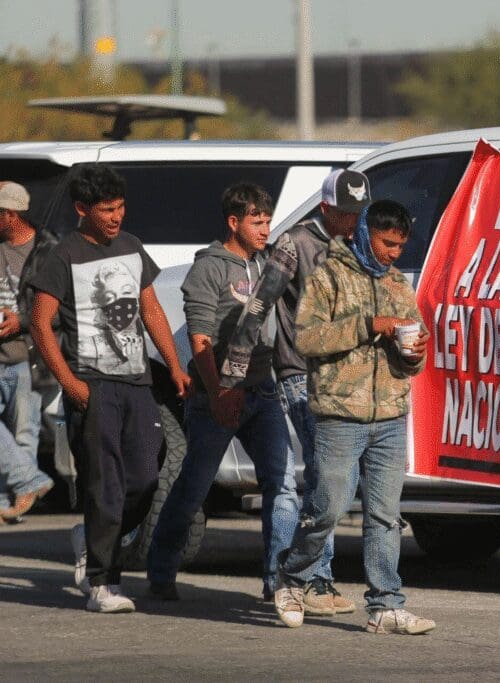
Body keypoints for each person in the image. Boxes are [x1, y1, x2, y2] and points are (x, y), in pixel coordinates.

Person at [28, 163, 191, 613]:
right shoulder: (63, 256)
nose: (116, 217)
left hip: (138, 381)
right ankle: (102, 583)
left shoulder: (131, 247)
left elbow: (152, 310)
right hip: (92, 384)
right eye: (106, 210)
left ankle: (93, 537)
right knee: (106, 487)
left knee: (145, 477)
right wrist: (71, 384)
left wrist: (173, 366)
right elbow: (42, 326)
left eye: (120, 207)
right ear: (83, 209)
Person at [274, 199, 434, 635]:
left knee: (385, 516)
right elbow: (306, 339)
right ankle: (291, 578)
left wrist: (415, 353)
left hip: (390, 417)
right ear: (366, 233)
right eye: (387, 243)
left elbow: (413, 354)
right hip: (339, 416)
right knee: (327, 509)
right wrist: (368, 324)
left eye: (401, 246)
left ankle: (385, 605)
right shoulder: (328, 276)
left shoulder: (400, 285)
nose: (393, 254)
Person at [219, 168, 371, 616]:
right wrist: (235, 367)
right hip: (301, 373)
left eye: (358, 212)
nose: (352, 220)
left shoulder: (358, 243)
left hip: (346, 378)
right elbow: (260, 302)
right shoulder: (295, 243)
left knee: (333, 480)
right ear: (326, 208)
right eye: (344, 213)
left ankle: (283, 577)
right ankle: (313, 582)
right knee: (326, 477)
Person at [147, 182, 299, 602]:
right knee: (194, 487)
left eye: (268, 221)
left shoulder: (268, 264)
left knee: (281, 483)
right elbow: (199, 341)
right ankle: (161, 569)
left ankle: (277, 581)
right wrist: (217, 394)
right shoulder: (209, 269)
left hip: (262, 392)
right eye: (257, 221)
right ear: (234, 222)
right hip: (215, 396)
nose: (265, 229)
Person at [0, 181, 54, 522]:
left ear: (10, 214)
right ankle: (30, 481)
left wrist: (21, 321)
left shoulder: (48, 251)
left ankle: (12, 505)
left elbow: (59, 305)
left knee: (24, 432)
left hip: (28, 355)